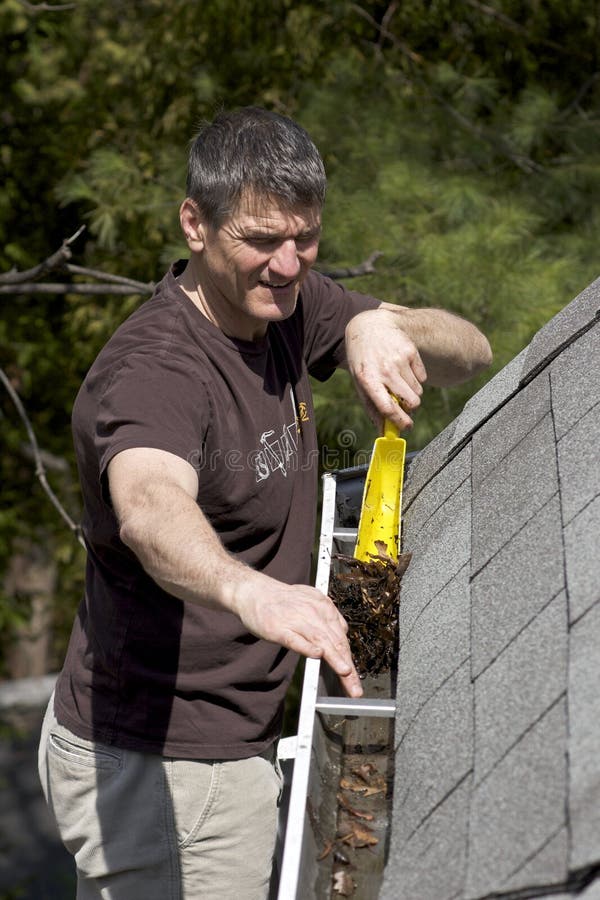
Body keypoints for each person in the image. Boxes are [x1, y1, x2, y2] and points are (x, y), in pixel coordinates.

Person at [38, 107, 491, 900]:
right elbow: (147, 504)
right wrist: (248, 588)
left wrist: (385, 330)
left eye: (305, 239)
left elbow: (473, 353)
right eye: (260, 240)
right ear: (195, 225)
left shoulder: (282, 304)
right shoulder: (157, 372)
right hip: (167, 771)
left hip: (225, 739)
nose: (288, 265)